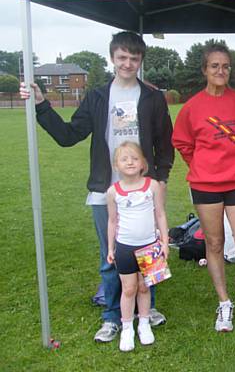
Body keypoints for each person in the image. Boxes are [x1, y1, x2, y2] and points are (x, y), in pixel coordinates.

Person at [19, 31, 174, 343]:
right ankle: (112, 316)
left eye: (134, 58)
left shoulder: (153, 98)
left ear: (141, 60)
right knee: (111, 256)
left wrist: (160, 178)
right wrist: (41, 105)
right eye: (122, 58)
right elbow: (68, 135)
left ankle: (147, 310)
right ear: (112, 58)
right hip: (107, 191)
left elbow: (164, 144)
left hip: (143, 190)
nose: (128, 63)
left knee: (147, 251)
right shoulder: (97, 97)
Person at [172, 42, 235, 332]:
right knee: (213, 243)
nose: (220, 71)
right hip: (205, 185)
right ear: (205, 70)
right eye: (215, 66)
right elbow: (184, 143)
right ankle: (224, 303)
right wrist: (202, 165)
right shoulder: (192, 107)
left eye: (225, 66)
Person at [106, 142, 170, 352]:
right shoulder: (113, 192)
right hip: (124, 248)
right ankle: (127, 328)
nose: (130, 163)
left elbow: (159, 214)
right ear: (116, 166)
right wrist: (110, 248)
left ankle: (144, 323)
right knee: (129, 288)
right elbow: (112, 221)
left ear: (143, 162)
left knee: (144, 287)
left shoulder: (152, 186)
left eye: (134, 158)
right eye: (124, 159)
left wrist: (164, 241)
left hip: (150, 247)